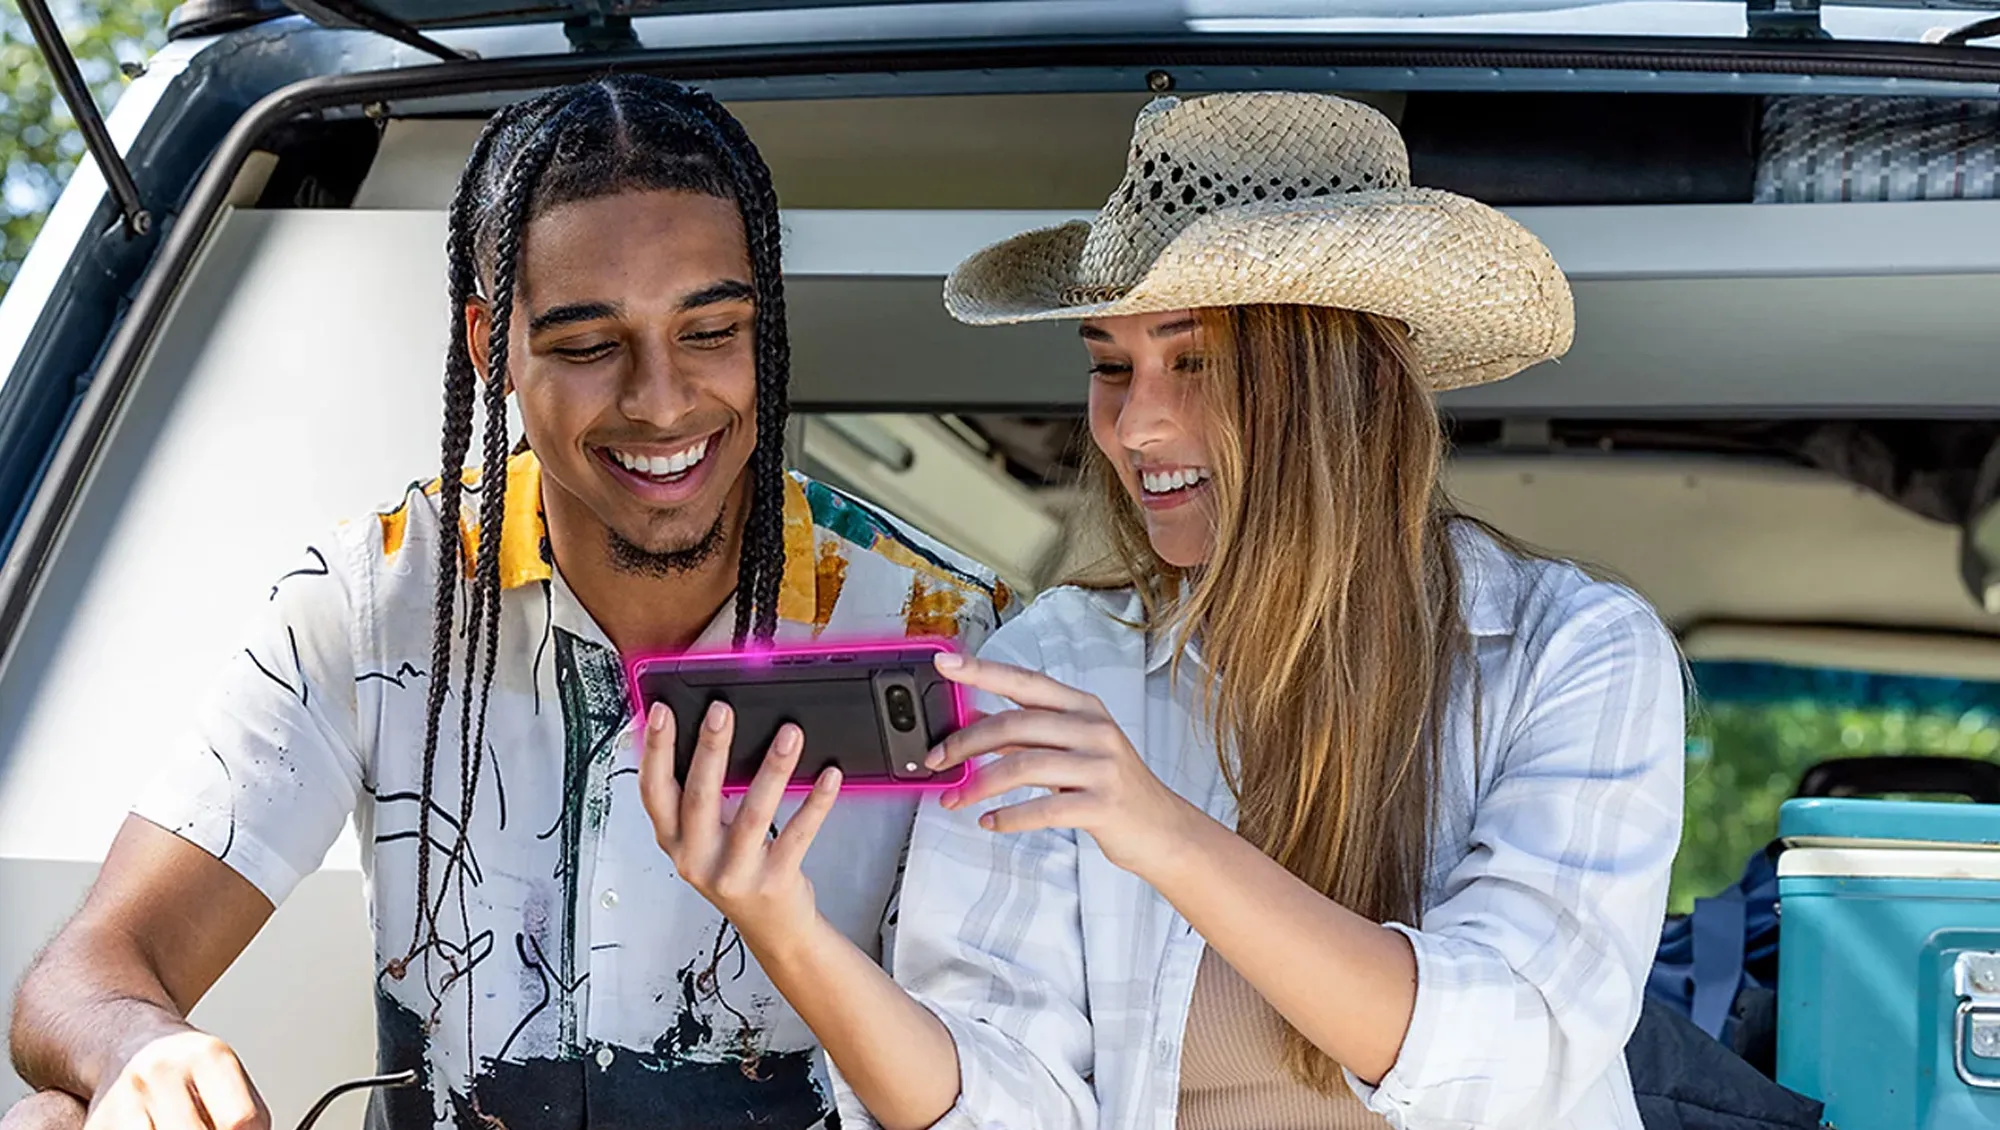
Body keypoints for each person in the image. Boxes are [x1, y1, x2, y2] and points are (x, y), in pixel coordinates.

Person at [640, 91, 1685, 1130]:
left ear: (1343, 385)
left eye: (1194, 362)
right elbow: (1009, 1105)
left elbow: (1512, 1054)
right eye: (1108, 365)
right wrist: (788, 934)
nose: (1134, 423)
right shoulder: (1053, 663)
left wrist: (1166, 834)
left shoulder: (1572, 651)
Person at [5, 75, 1014, 1130]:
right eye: (587, 345)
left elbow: (1000, 1082)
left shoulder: (939, 631)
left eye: (711, 330)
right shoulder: (373, 597)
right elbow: (83, 975)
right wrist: (142, 1047)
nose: (662, 399)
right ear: (491, 346)